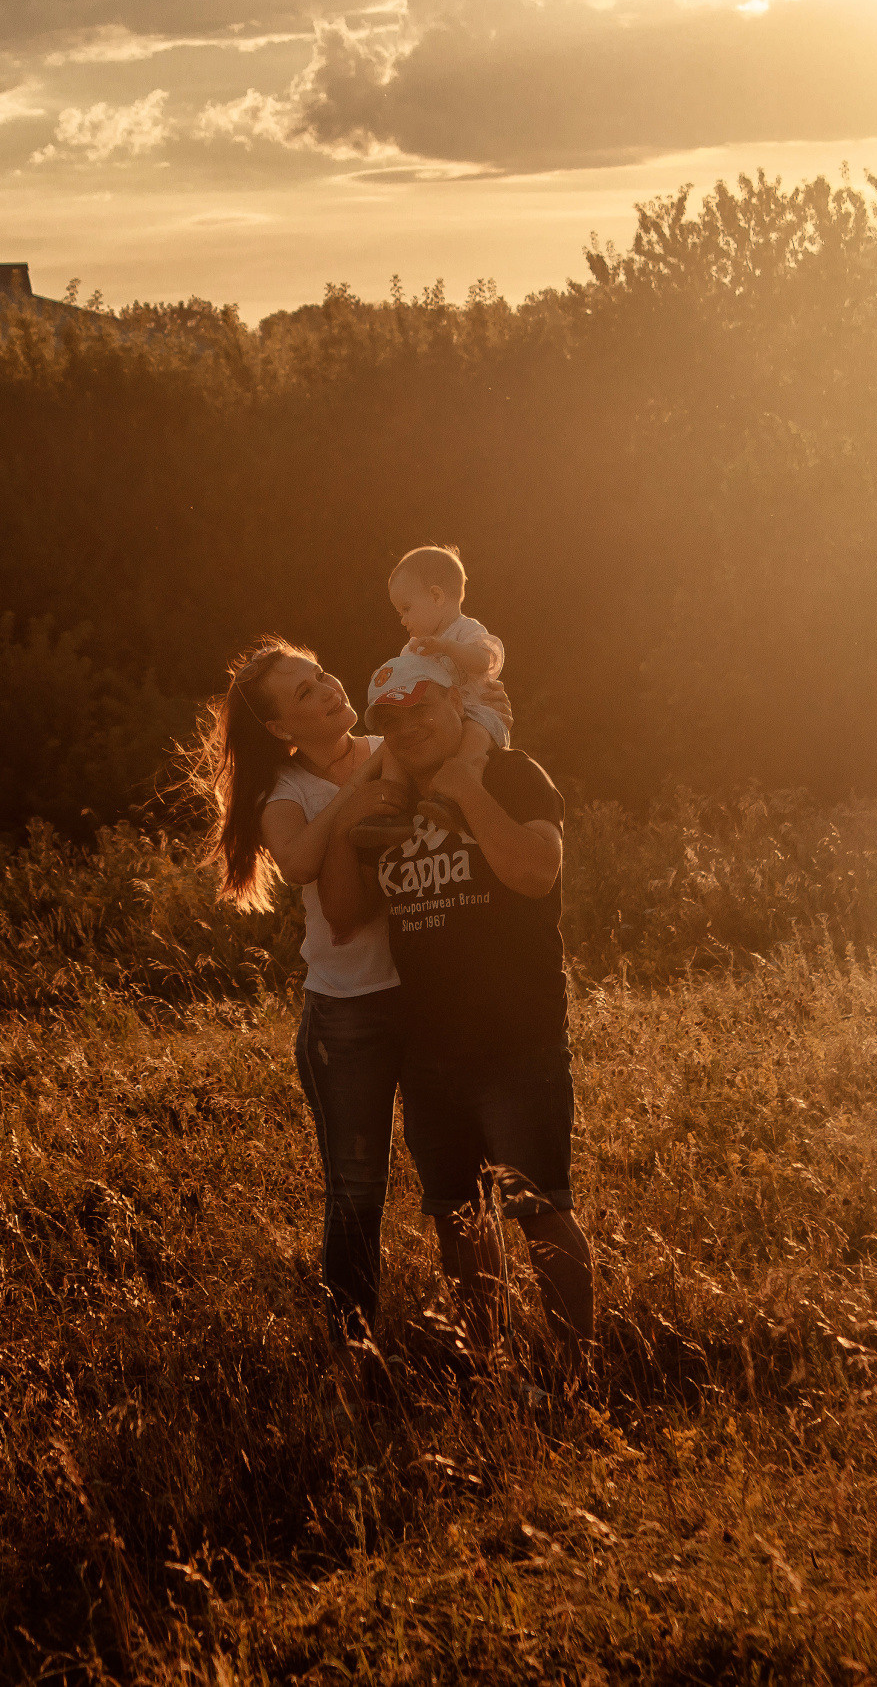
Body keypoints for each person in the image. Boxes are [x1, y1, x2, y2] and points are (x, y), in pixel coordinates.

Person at [318, 653, 595, 1386]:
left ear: (455, 707)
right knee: (457, 1218)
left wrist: (466, 787)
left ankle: (573, 1371)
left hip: (517, 1040)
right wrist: (355, 812)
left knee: (539, 1209)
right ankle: (488, 1365)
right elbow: (344, 915)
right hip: (429, 1050)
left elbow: (537, 870)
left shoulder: (510, 773)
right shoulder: (389, 806)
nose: (410, 727)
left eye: (424, 709)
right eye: (392, 720)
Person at [191, 637, 401, 1345]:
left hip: (430, 992)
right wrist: (365, 778)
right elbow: (303, 856)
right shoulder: (287, 792)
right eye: (304, 693)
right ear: (281, 729)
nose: (328, 689)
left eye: (320, 676)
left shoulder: (386, 743)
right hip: (346, 1013)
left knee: (455, 1167)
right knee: (357, 1190)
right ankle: (352, 1343)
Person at [352, 544, 510, 848]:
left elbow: (485, 661)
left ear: (437, 597)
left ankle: (453, 796)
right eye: (400, 612)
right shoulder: (411, 649)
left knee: (476, 736)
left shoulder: (467, 631)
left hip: (477, 710)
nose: (402, 620)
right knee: (393, 750)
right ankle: (390, 807)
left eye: (406, 609)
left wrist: (445, 648)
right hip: (436, 717)